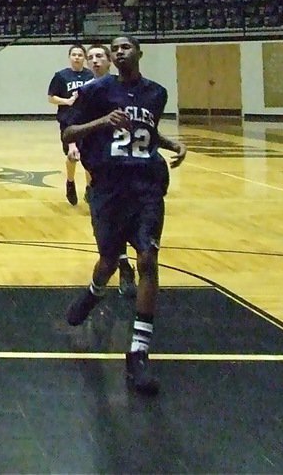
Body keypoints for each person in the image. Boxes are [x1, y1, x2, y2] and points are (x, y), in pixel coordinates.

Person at [62, 35, 187, 396]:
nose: (118, 53)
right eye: (113, 49)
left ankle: (138, 353)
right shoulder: (96, 91)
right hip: (108, 189)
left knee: (148, 258)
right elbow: (69, 131)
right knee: (107, 260)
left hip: (146, 187)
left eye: (124, 47)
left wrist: (170, 143)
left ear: (138, 53)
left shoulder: (156, 93)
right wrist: (101, 122)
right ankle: (93, 292)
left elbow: (144, 131)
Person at [86, 43, 137, 299]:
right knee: (108, 230)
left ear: (109, 61)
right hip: (100, 167)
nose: (95, 61)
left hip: (127, 167)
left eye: (99, 56)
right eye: (90, 57)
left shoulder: (126, 91)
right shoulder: (89, 92)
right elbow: (73, 126)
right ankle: (110, 272)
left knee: (126, 226)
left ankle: (125, 267)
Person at [47, 44, 94, 206]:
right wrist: (66, 101)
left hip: (88, 121)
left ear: (84, 58)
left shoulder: (91, 76)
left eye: (80, 55)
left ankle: (90, 188)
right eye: (74, 55)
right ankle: (70, 182)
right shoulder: (61, 76)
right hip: (68, 121)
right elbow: (51, 97)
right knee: (72, 156)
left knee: (90, 156)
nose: (77, 57)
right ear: (69, 57)